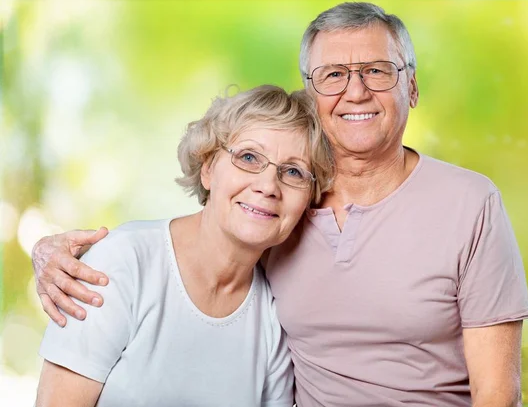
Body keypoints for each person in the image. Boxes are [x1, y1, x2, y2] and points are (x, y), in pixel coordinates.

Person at [32, 2, 528, 406]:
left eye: (378, 71)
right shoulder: (280, 211)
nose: (356, 90)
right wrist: (52, 251)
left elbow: (498, 394)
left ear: (412, 85)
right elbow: (196, 234)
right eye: (333, 74)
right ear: (311, 94)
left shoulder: (470, 203)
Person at [34, 85, 334, 407]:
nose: (267, 186)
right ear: (208, 169)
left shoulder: (274, 318)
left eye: (292, 171)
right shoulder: (122, 262)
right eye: (249, 157)